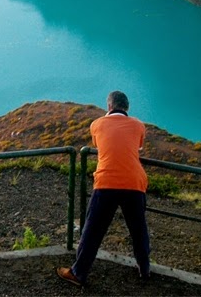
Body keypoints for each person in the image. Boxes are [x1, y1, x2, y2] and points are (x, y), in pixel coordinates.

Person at [58, 90, 150, 287]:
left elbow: (98, 144)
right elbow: (138, 147)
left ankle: (78, 273)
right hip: (134, 182)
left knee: (93, 230)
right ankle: (144, 269)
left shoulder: (97, 124)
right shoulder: (138, 125)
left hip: (107, 182)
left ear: (109, 106)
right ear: (127, 107)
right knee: (138, 229)